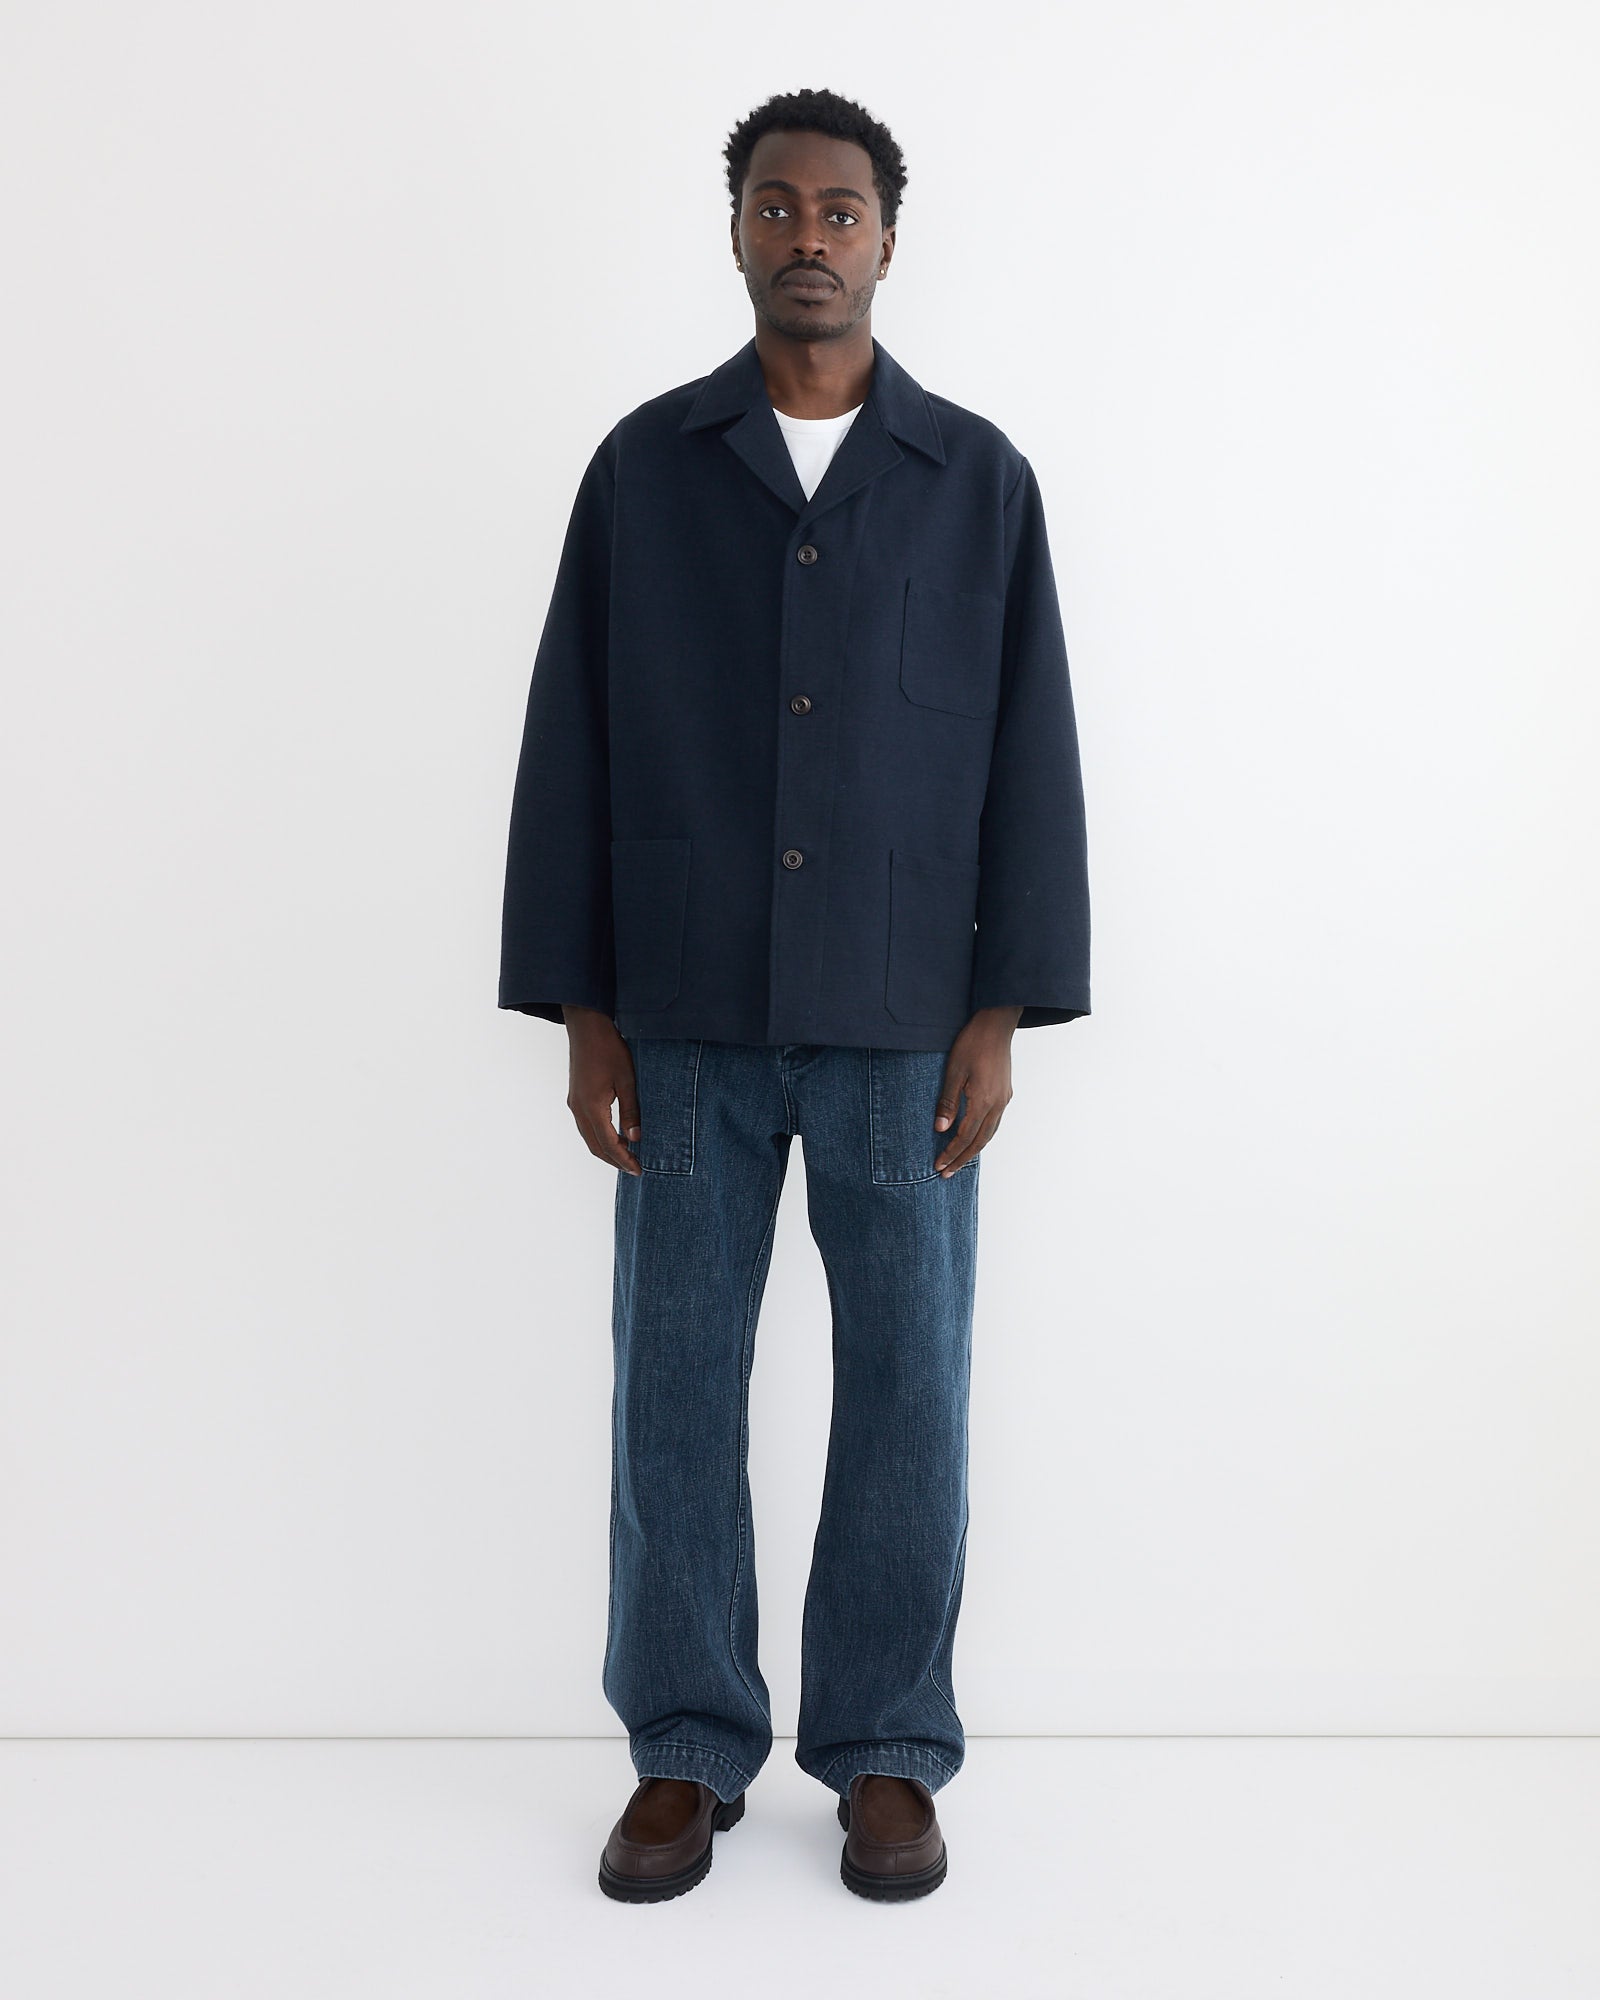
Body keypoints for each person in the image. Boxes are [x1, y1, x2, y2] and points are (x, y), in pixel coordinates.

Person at [498, 86, 1091, 1904]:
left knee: (910, 1386)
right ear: (737, 229)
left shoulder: (976, 483)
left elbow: (1029, 762)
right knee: (672, 1385)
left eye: (842, 210)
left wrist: (1002, 1010)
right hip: (680, 1015)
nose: (810, 236)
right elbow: (572, 747)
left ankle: (890, 1753)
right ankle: (683, 1747)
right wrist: (583, 1003)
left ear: (888, 241)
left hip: (905, 1019)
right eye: (779, 205)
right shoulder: (645, 470)